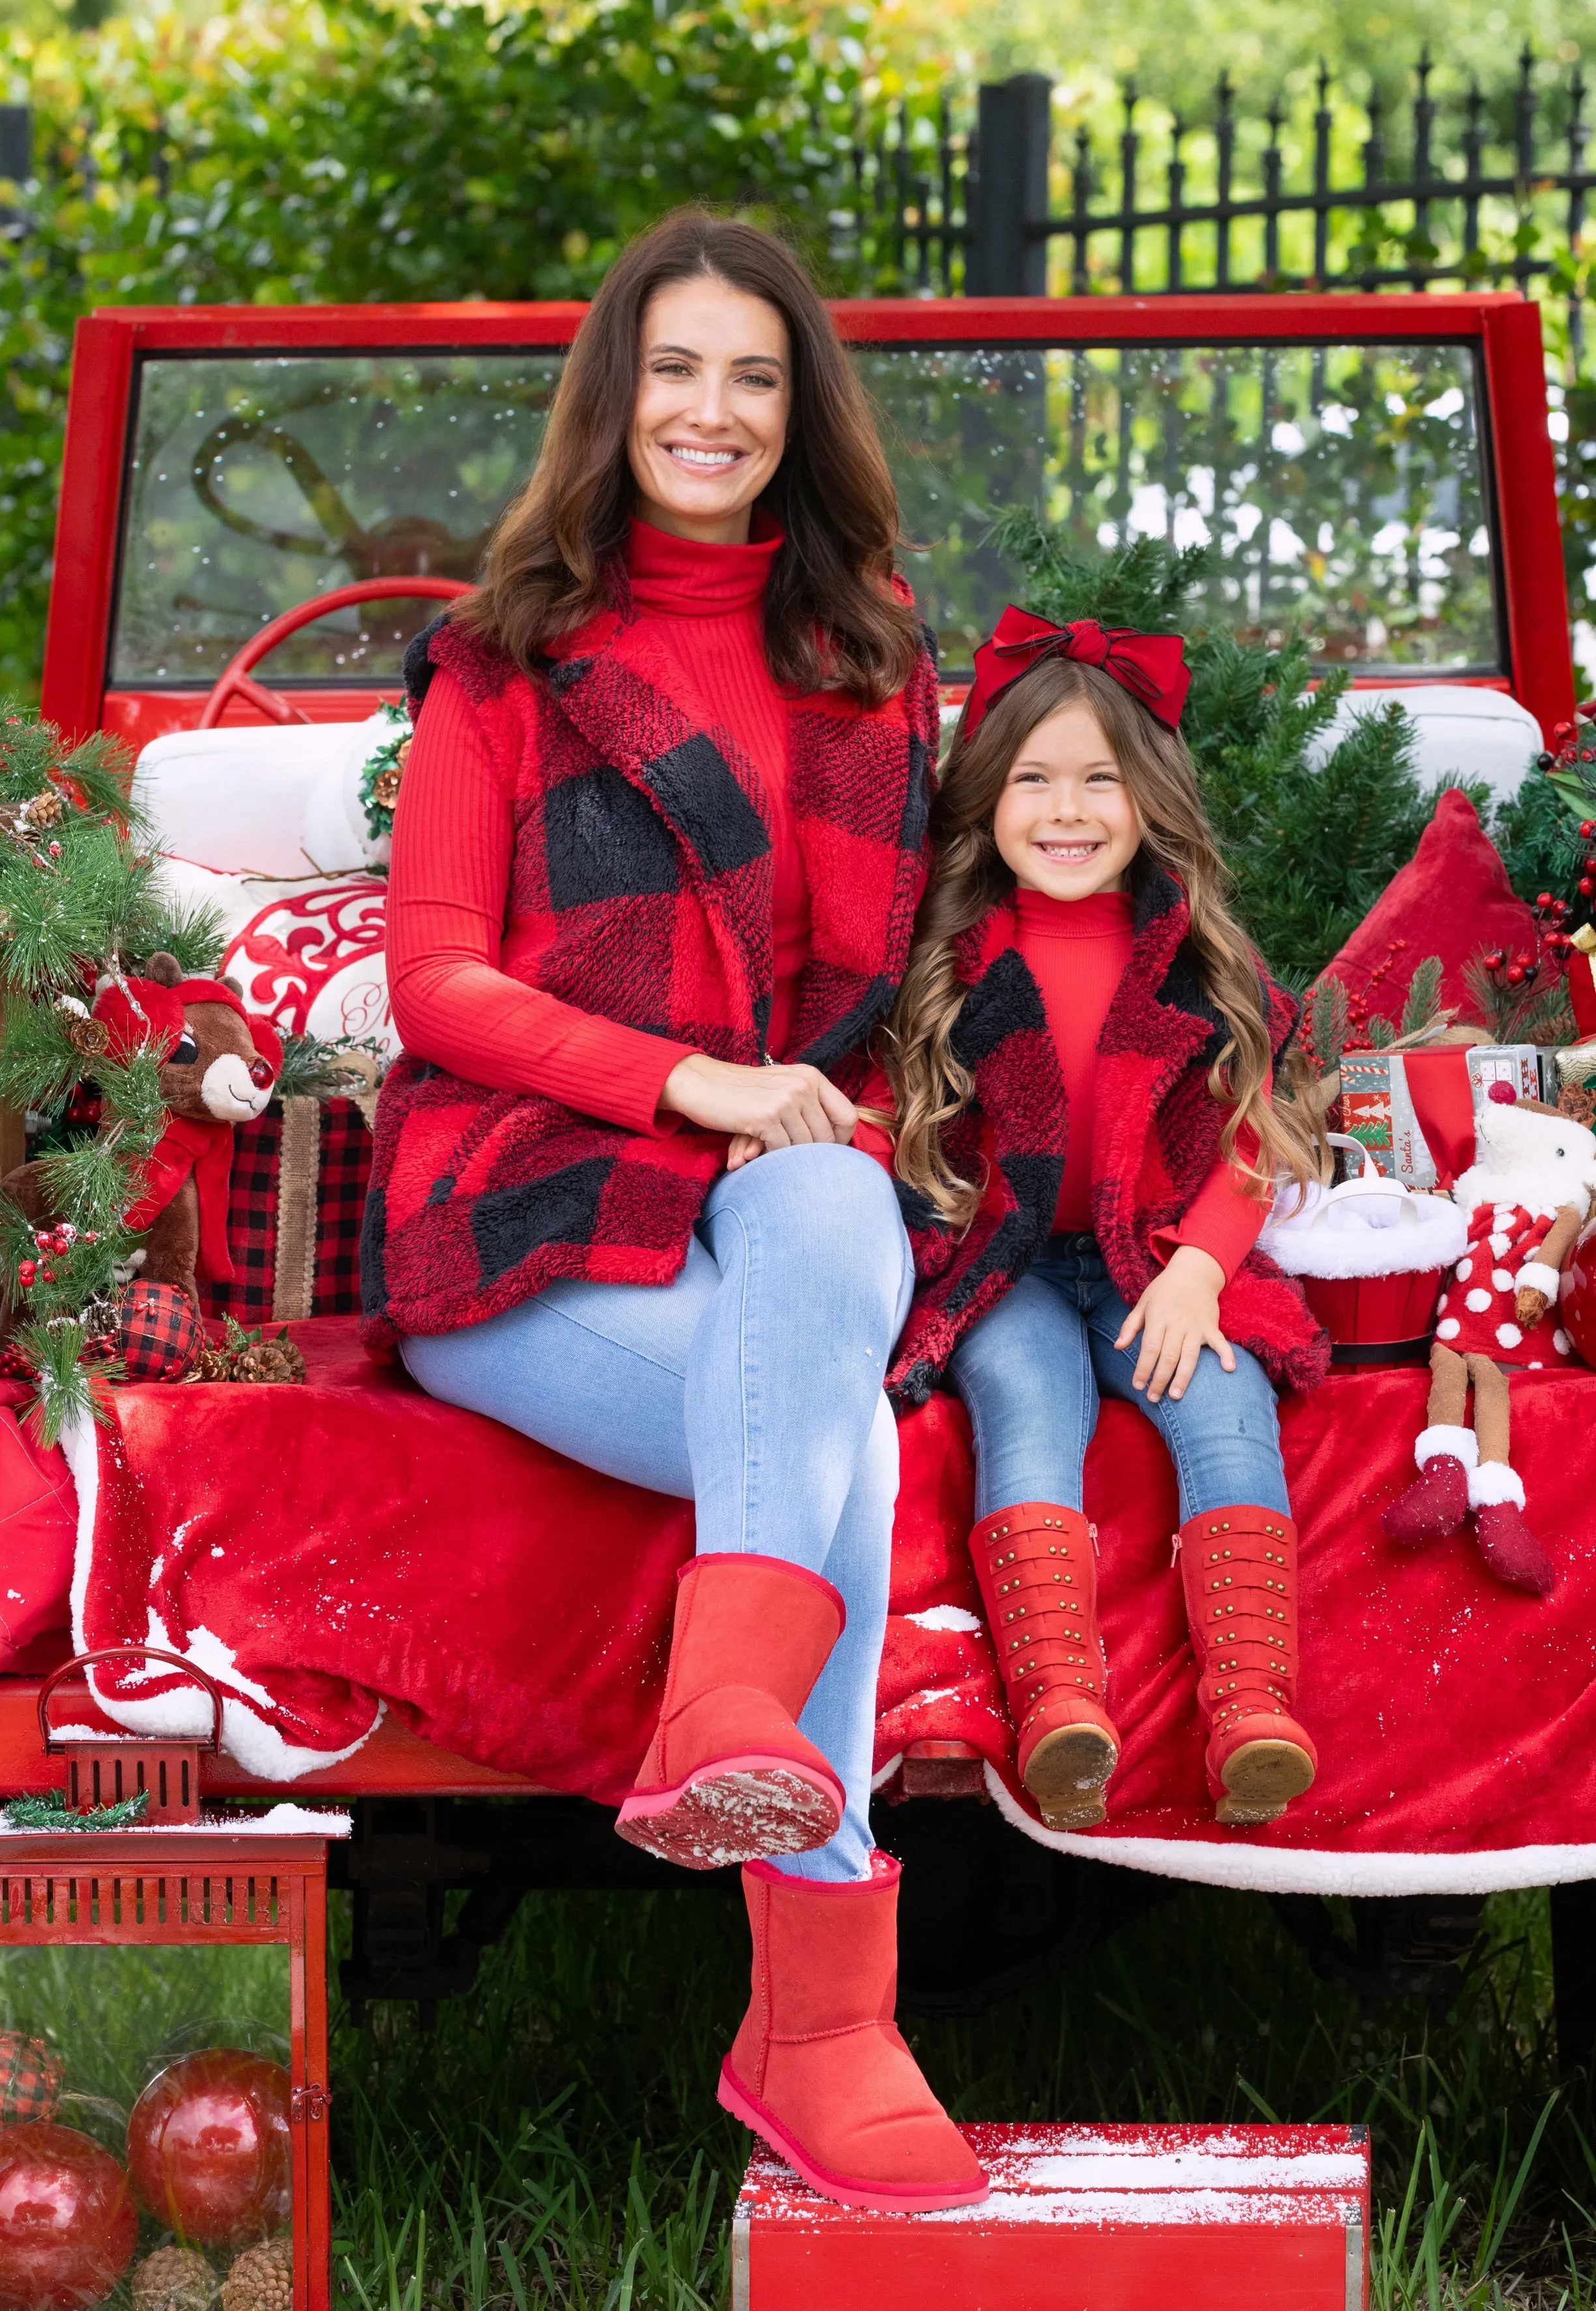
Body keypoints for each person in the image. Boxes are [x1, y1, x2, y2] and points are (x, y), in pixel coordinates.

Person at [362, 209, 986, 2213]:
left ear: (798, 414)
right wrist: (698, 1085)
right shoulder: (505, 663)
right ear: (614, 399)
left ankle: (731, 1709)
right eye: (676, 371)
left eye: (754, 375)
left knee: (826, 1214)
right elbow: (435, 979)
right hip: (525, 1215)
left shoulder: (870, 660)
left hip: (786, 1219)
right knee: (846, 1453)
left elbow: (902, 993)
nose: (711, 411)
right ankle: (820, 2024)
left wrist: (827, 1131)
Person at [880, 607, 1330, 1838]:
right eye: (1033, 778)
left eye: (1102, 779)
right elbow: (895, 1131)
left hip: (1158, 1258)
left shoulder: (1187, 959)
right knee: (1025, 1401)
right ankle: (1061, 1707)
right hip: (1007, 1267)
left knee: (1226, 1400)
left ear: (1151, 801)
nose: (1067, 810)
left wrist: (1200, 1270)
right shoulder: (951, 961)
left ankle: (1253, 1711)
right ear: (985, 799)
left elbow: (1253, 1133)